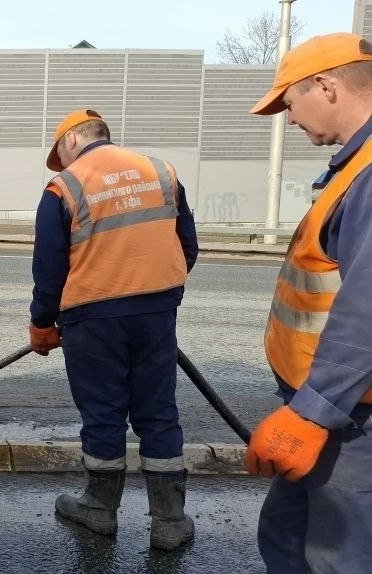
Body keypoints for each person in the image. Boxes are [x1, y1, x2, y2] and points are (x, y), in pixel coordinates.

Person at [29, 109, 199, 550]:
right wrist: (158, 295)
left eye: (60, 154)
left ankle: (99, 509)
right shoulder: (160, 172)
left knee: (104, 412)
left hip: (92, 317)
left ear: (70, 142)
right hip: (156, 312)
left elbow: (49, 267)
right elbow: (187, 244)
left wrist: (42, 324)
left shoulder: (64, 186)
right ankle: (169, 522)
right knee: (158, 413)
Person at [246, 32, 372, 573]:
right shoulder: (355, 167)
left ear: (326, 85)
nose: (289, 119)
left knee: (337, 556)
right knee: (288, 535)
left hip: (349, 418)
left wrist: (314, 412)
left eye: (290, 103)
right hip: (336, 411)